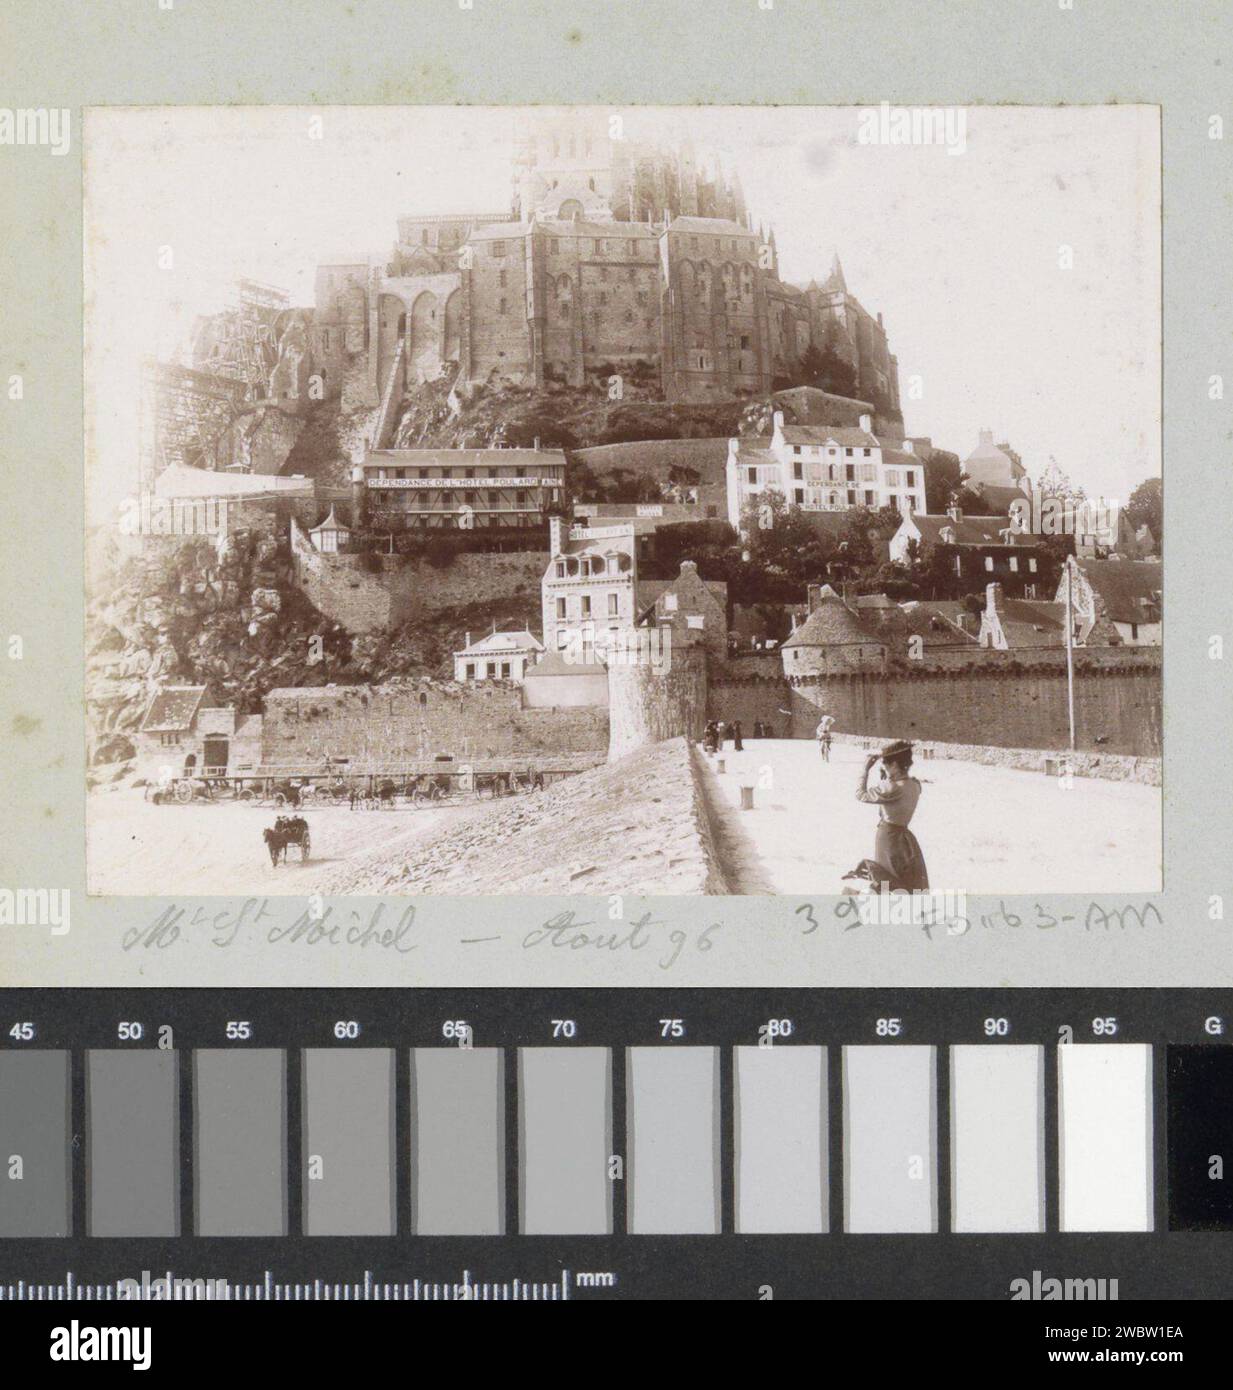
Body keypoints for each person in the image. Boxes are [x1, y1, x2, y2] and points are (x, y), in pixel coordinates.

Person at [850, 739, 929, 891]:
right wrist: (887, 777)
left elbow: (861, 795)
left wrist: (865, 770)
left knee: (885, 878)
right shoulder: (915, 785)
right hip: (905, 837)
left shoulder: (891, 787)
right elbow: (894, 797)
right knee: (903, 878)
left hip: (887, 837)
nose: (884, 768)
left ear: (894, 765)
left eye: (885, 764)